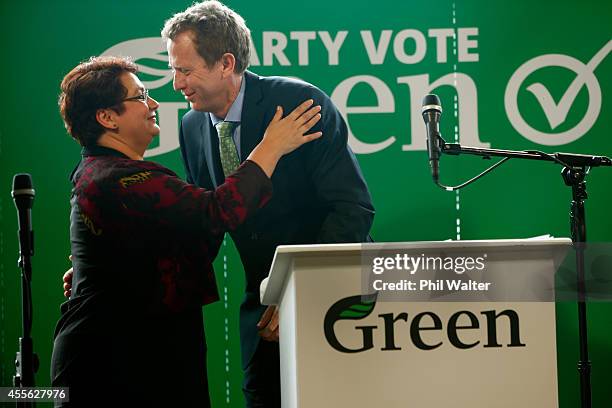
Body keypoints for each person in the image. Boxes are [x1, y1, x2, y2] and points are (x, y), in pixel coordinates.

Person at [51, 55, 322, 407]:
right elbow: (216, 211)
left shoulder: (101, 172)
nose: (154, 103)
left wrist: (101, 268)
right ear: (107, 117)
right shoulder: (122, 178)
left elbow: (184, 235)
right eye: (140, 96)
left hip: (139, 356)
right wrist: (272, 146)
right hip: (115, 366)